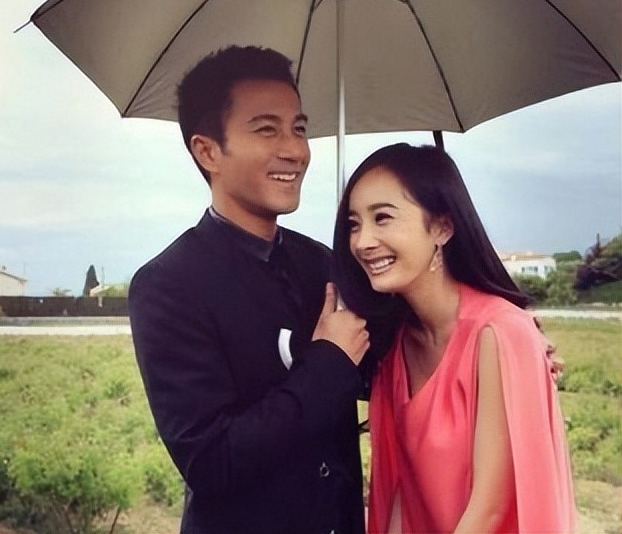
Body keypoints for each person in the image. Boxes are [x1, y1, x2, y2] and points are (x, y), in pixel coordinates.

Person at [128, 45, 369, 534]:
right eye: (267, 129)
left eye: (299, 128)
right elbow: (212, 462)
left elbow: (385, 369)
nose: (295, 150)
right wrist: (328, 362)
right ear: (207, 151)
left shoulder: (323, 263)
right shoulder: (168, 286)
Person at [332, 143, 576, 533]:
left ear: (442, 228)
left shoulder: (499, 332)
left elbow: (489, 508)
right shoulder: (394, 347)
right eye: (354, 224)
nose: (362, 242)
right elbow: (403, 495)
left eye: (383, 218)